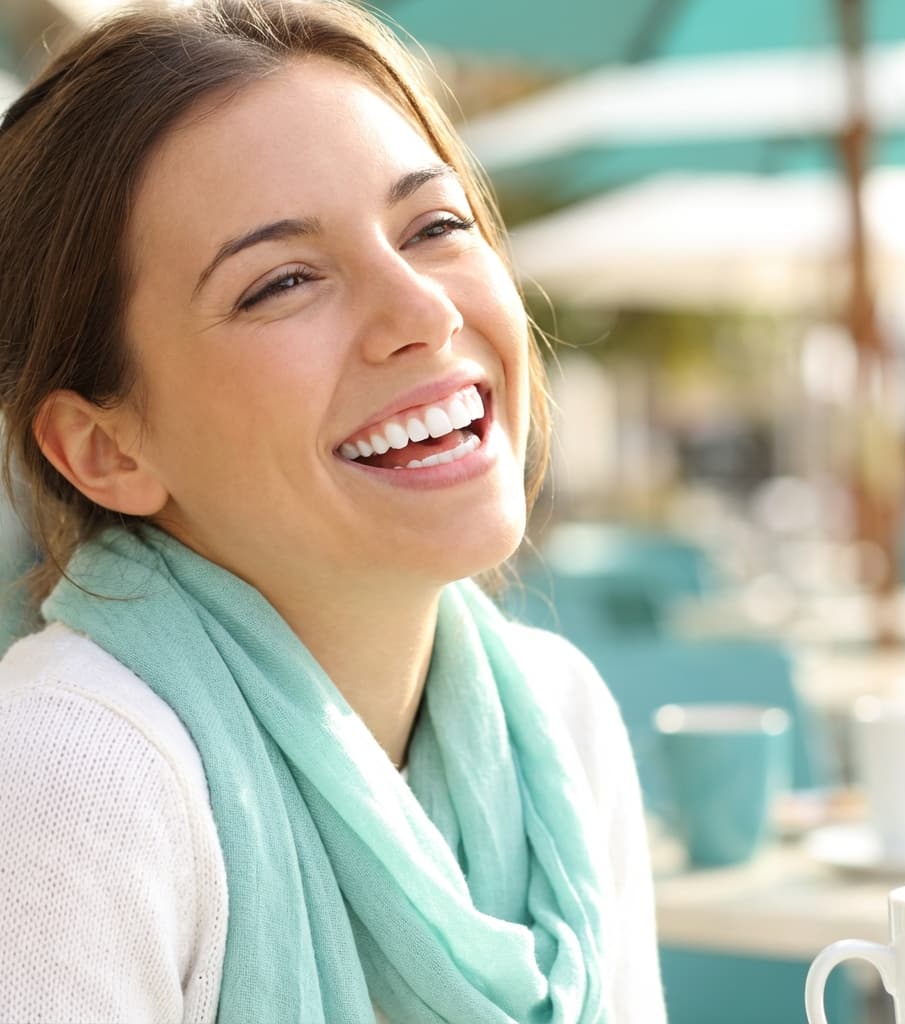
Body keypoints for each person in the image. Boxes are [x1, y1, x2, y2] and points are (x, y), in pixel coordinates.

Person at [0, 2, 665, 1021]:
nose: (424, 312)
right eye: (282, 282)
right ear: (106, 447)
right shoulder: (71, 770)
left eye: (435, 226)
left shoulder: (557, 723)